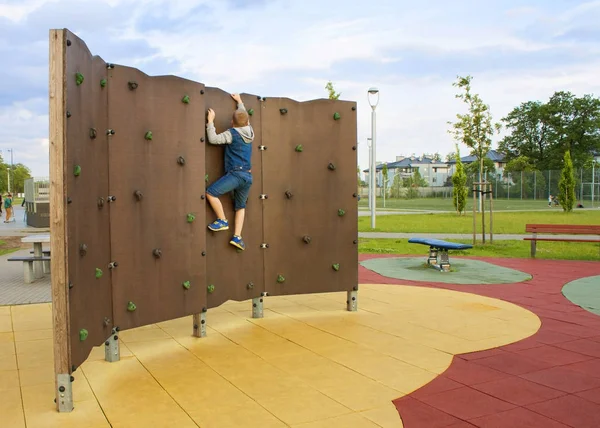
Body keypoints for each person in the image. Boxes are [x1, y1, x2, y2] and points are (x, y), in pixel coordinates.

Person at [205, 93, 254, 251]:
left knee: (211, 193)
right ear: (247, 122)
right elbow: (243, 115)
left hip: (236, 174)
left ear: (232, 123)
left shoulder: (231, 134)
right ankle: (237, 237)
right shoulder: (250, 131)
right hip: (247, 176)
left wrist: (210, 122)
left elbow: (213, 139)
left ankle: (222, 220)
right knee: (240, 206)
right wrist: (240, 102)